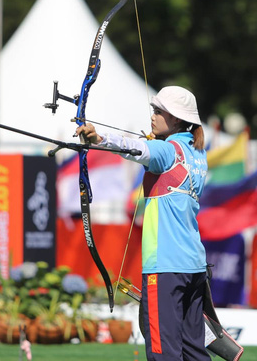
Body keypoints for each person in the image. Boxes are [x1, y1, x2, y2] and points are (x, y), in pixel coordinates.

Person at [77, 86, 209, 361]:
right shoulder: (197, 154)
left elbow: (135, 148)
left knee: (164, 354)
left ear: (175, 119)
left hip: (166, 267)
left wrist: (98, 137)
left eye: (158, 112)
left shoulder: (167, 151)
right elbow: (153, 151)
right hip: (195, 266)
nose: (153, 116)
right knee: (194, 353)